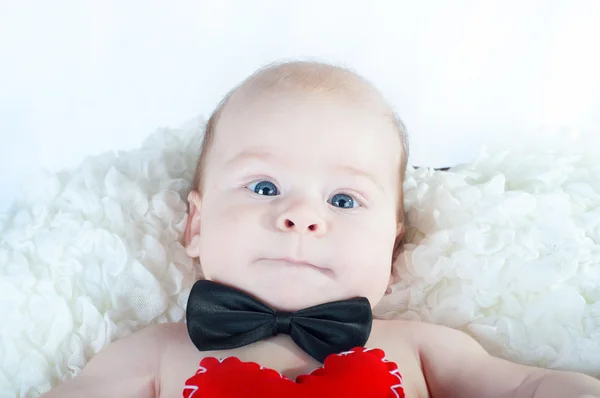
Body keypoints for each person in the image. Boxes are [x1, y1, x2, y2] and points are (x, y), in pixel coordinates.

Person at [41, 61, 600, 397]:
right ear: (196, 225)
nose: (304, 216)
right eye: (264, 187)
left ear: (393, 247)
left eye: (343, 198)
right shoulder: (154, 353)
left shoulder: (419, 346)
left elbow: (524, 387)